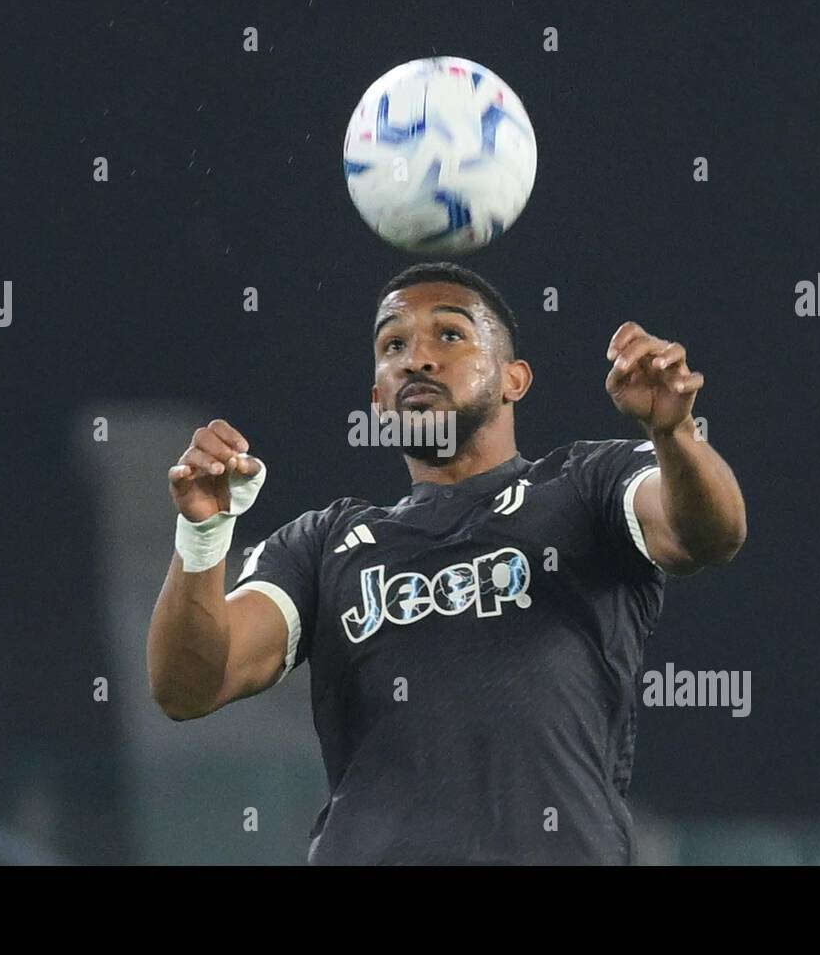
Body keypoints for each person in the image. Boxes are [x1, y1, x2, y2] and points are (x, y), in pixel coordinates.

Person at [148, 261, 747, 864]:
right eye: (394, 345)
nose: (418, 358)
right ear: (379, 399)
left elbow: (711, 536)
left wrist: (676, 434)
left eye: (451, 335)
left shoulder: (585, 486)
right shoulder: (323, 544)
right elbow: (189, 687)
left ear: (515, 379)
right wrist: (203, 533)